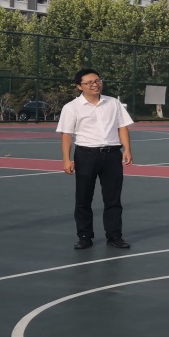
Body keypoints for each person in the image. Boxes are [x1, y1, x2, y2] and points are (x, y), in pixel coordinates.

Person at [57, 69, 134, 250]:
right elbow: (67, 134)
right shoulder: (71, 107)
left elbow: (122, 127)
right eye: (90, 82)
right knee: (83, 198)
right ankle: (84, 236)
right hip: (86, 155)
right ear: (79, 86)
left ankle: (114, 236)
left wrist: (127, 149)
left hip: (112, 155)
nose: (95, 84)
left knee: (113, 198)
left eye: (98, 80)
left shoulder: (113, 103)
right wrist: (66, 159)